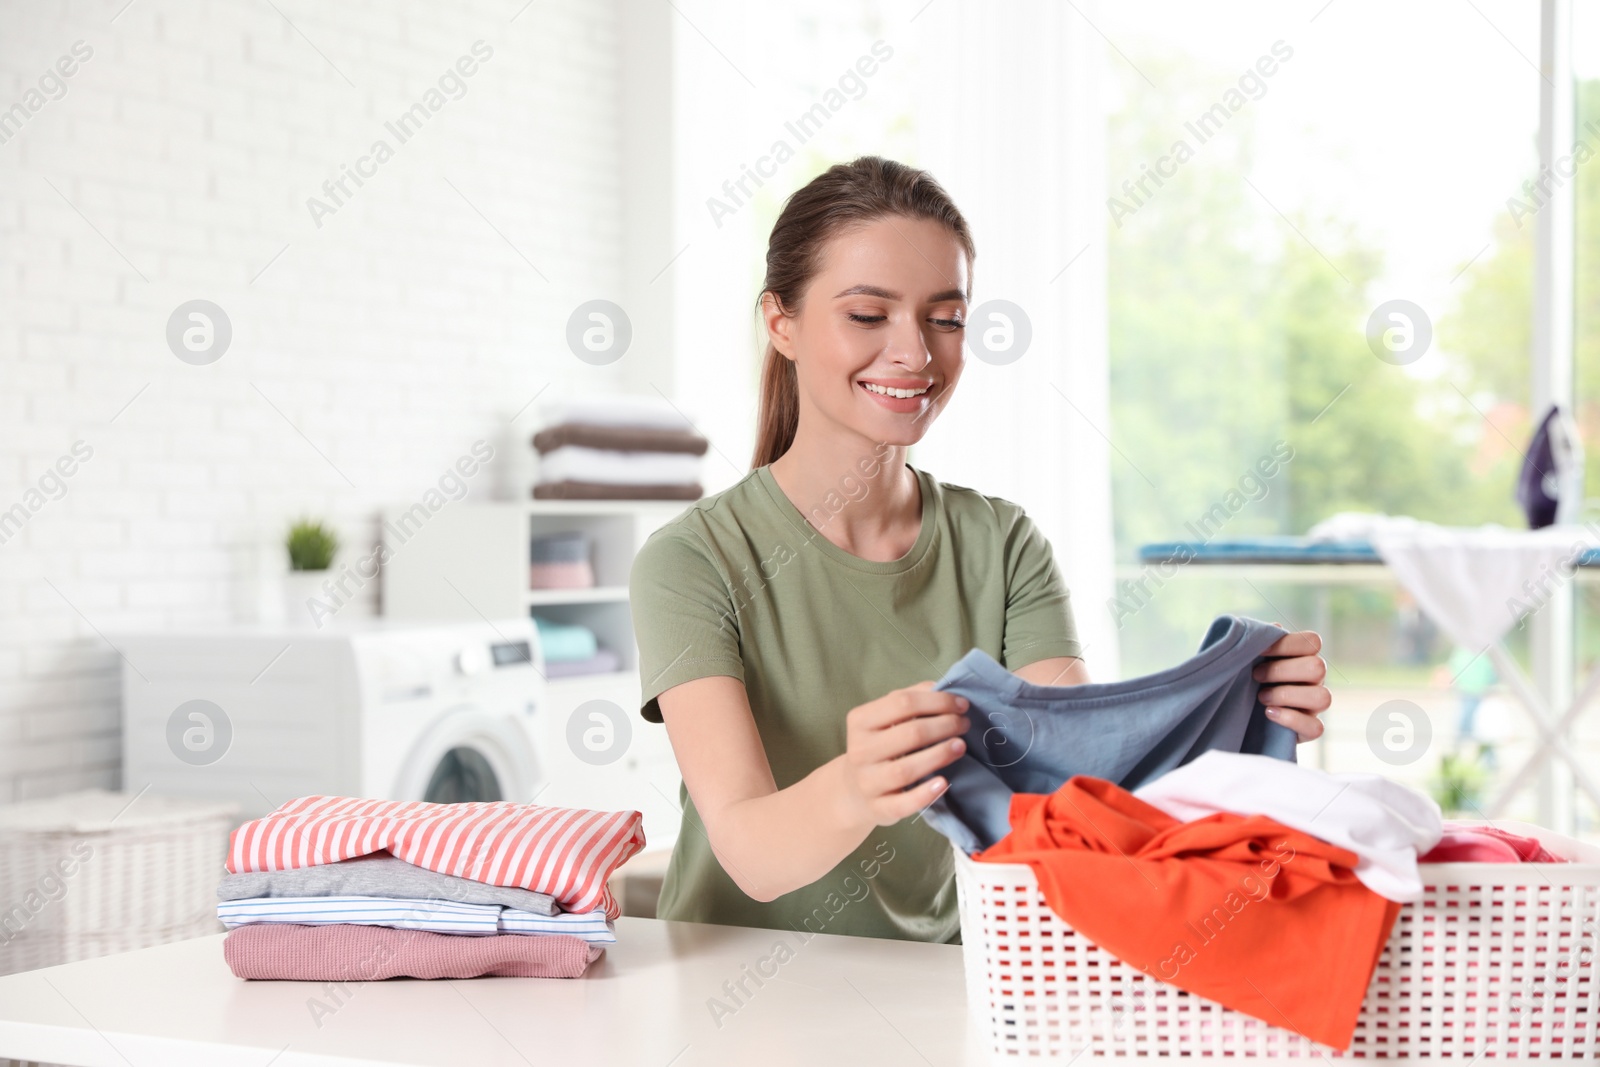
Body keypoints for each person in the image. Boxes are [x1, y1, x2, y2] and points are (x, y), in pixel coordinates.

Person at [628, 156, 1330, 943]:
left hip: (947, 982)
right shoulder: (693, 560)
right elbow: (750, 851)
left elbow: (1078, 790)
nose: (916, 353)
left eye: (946, 318)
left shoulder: (1002, 543)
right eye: (868, 315)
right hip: (733, 991)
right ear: (781, 322)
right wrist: (860, 783)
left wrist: (1236, 712)